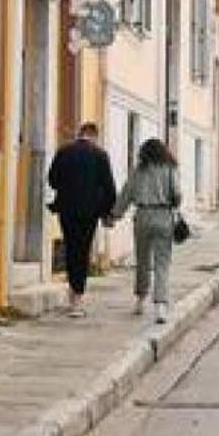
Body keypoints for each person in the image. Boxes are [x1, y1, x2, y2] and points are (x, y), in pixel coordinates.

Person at [45, 123, 117, 317]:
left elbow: (52, 179)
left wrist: (67, 188)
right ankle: (77, 297)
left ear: (80, 133)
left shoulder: (64, 151)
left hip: (66, 210)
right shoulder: (101, 155)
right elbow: (109, 188)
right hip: (89, 212)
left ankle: (72, 292)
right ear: (94, 136)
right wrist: (106, 212)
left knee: (70, 247)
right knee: (83, 250)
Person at [109, 138, 181, 323]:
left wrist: (114, 216)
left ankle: (140, 300)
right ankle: (160, 307)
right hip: (163, 216)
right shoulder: (170, 168)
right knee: (162, 263)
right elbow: (177, 194)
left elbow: (126, 194)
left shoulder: (138, 171)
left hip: (142, 216)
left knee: (142, 260)